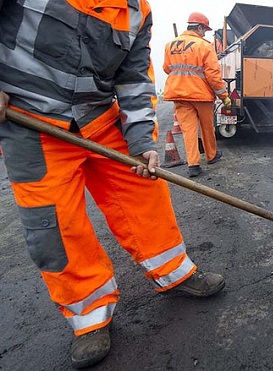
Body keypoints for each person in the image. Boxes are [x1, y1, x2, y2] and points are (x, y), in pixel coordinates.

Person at [0, 1, 225, 368]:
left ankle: (175, 272)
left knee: (145, 191)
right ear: (202, 29)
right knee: (56, 226)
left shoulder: (137, 11)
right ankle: (89, 315)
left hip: (101, 117)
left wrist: (141, 141)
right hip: (31, 123)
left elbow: (135, 77)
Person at [163, 11, 231, 178]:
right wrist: (224, 96)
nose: (204, 33)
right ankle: (211, 156)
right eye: (204, 30)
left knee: (188, 131)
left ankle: (193, 165)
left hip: (178, 94)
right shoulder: (204, 46)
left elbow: (166, 68)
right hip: (200, 95)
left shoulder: (170, 45)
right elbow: (213, 75)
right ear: (199, 27)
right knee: (207, 128)